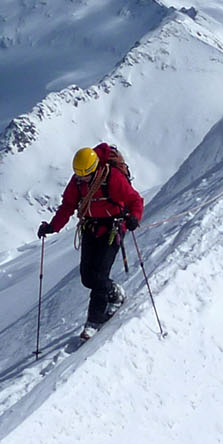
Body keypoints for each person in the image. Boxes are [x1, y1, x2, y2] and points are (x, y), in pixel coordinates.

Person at [38, 142, 145, 338]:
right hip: (90, 228)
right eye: (78, 175)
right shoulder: (78, 181)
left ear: (94, 168)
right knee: (87, 277)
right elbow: (68, 206)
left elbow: (135, 200)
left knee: (99, 275)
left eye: (84, 175)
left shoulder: (112, 179)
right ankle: (115, 293)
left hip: (113, 228)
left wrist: (134, 217)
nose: (81, 178)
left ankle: (94, 322)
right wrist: (52, 227)